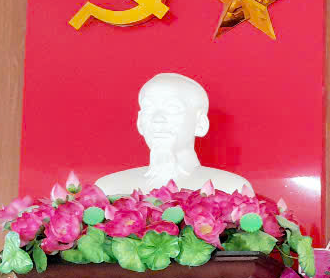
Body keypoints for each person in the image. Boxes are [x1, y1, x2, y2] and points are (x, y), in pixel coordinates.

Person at [96, 72, 253, 196]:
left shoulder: (232, 189)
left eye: (173, 108)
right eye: (149, 109)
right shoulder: (109, 188)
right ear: (139, 122)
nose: (157, 119)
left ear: (200, 124)